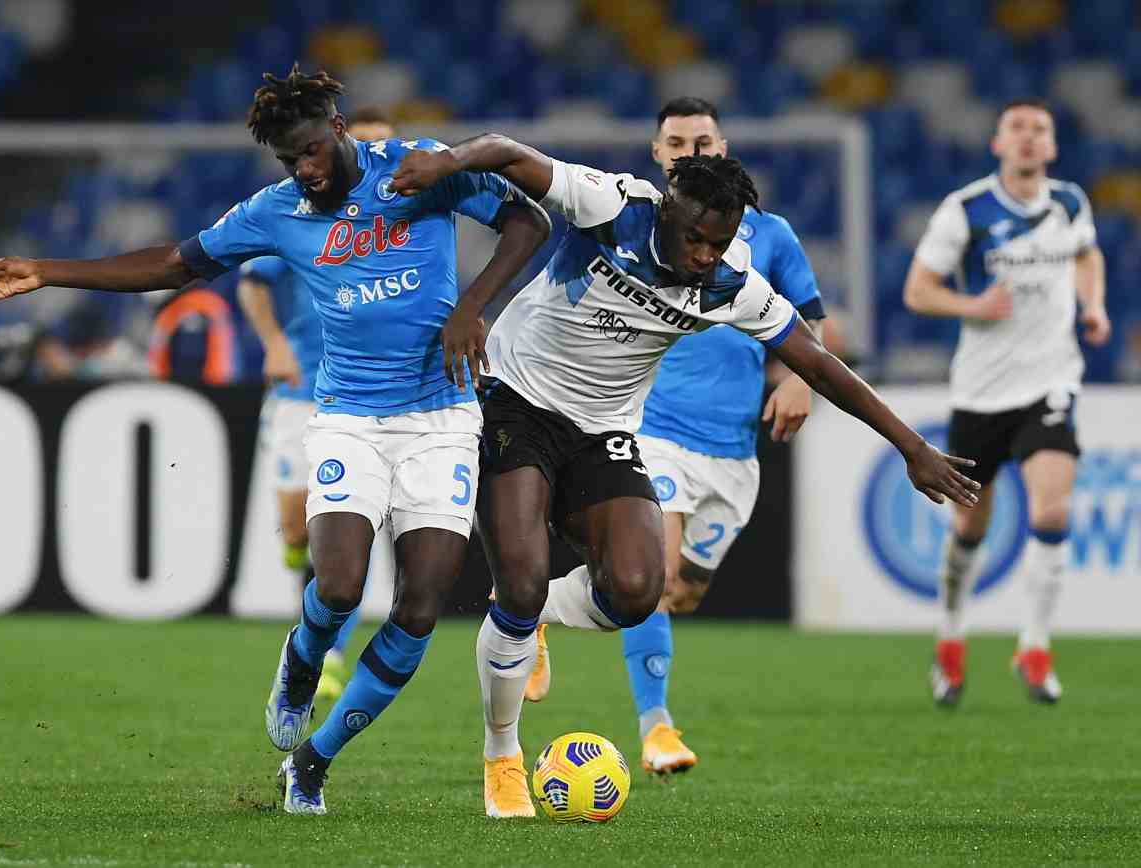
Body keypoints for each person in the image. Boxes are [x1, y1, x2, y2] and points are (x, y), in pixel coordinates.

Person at [0, 64, 550, 815]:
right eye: (287, 161)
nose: (303, 171)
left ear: (337, 131)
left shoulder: (419, 171)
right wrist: (47, 271)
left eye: (309, 151)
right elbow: (176, 264)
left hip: (443, 418)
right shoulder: (277, 212)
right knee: (337, 586)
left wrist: (473, 306)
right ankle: (301, 662)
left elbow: (531, 220)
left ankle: (313, 762)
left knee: (421, 607)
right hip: (350, 418)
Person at [391, 136, 980, 818]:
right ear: (670, 211)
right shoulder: (612, 207)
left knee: (640, 590)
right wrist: (448, 162)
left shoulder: (730, 281)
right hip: (518, 399)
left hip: (603, 431)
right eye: (697, 238)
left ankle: (535, 615)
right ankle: (502, 757)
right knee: (517, 584)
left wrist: (910, 446)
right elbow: (506, 152)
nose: (707, 255)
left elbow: (817, 364)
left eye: (720, 242)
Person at [522, 97, 830, 775]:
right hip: (656, 426)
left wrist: (799, 379)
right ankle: (656, 727)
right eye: (677, 144)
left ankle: (535, 605)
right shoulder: (638, 231)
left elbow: (809, 321)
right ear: (660, 157)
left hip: (733, 449)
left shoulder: (771, 236)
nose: (692, 152)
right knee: (655, 577)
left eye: (703, 141)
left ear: (723, 148)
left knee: (684, 591)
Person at [903, 98, 1109, 707]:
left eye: (1038, 130)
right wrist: (973, 307)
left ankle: (1035, 645)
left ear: (1051, 145)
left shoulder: (1070, 201)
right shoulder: (966, 210)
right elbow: (919, 291)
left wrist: (1093, 305)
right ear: (998, 143)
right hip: (981, 392)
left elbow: (1087, 253)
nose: (1026, 138)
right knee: (970, 526)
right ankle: (950, 634)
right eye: (1016, 129)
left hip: (1050, 382)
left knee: (1052, 510)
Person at [235, 105, 397, 702]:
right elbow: (251, 281)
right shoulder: (303, 210)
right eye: (370, 145)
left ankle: (329, 651)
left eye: (391, 147)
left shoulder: (407, 220)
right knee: (296, 523)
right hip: (300, 384)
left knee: (351, 523)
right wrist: (275, 343)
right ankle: (296, 554)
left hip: (364, 397)